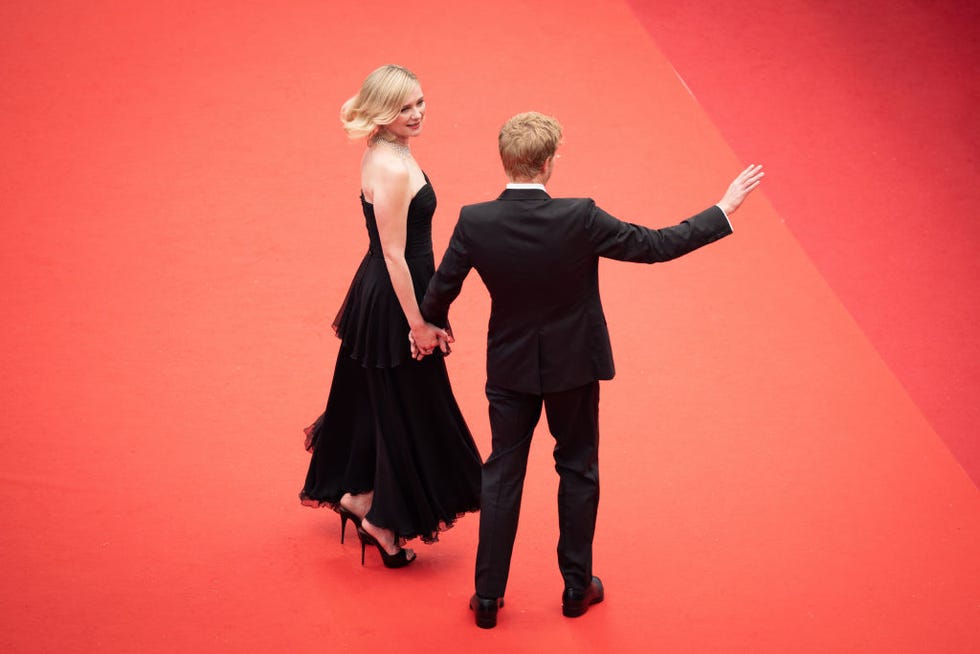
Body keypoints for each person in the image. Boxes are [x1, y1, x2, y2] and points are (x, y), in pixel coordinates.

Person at [418, 111, 764, 626]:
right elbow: (655, 246)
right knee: (577, 469)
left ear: (505, 159)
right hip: (573, 369)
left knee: (501, 476)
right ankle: (577, 589)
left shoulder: (475, 220)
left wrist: (432, 326)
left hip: (509, 371)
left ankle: (488, 598)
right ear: (549, 161)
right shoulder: (580, 215)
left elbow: (440, 289)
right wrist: (724, 208)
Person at [300, 64, 481, 568]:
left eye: (420, 102)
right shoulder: (394, 166)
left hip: (385, 290)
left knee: (376, 398)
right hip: (396, 296)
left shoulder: (385, 151)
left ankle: (360, 497)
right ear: (382, 112)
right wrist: (418, 324)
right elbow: (396, 253)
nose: (417, 113)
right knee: (413, 406)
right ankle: (380, 517)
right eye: (405, 107)